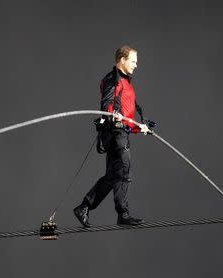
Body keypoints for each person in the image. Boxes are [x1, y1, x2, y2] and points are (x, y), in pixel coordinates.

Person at [73, 45, 153, 227]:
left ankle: (84, 207)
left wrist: (141, 128)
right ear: (122, 60)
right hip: (115, 135)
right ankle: (122, 214)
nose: (136, 65)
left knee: (113, 176)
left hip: (120, 133)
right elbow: (107, 106)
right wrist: (112, 115)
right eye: (133, 61)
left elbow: (126, 116)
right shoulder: (113, 80)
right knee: (124, 171)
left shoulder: (126, 82)